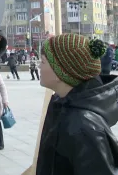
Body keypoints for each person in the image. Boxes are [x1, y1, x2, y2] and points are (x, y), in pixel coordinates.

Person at [36, 34, 118, 174]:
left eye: (43, 62)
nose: (38, 66)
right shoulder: (62, 105)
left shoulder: (83, 127)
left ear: (60, 71)